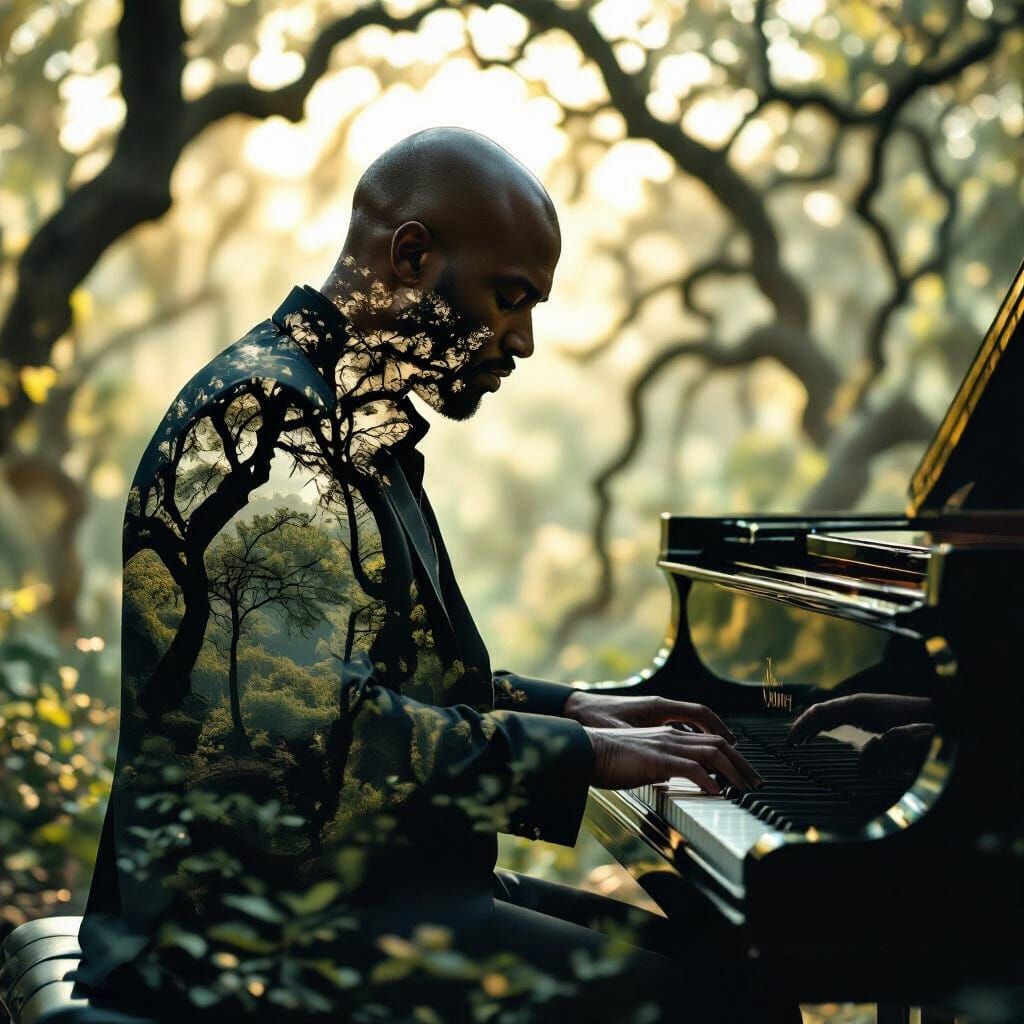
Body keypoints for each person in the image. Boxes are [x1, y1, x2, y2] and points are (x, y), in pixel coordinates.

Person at [72, 127, 791, 1023]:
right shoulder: (270, 424)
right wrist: (586, 756)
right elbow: (313, 739)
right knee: (696, 1006)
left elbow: (382, 678)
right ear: (410, 257)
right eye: (509, 297)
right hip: (243, 936)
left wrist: (573, 710)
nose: (522, 339)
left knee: (734, 976)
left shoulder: (346, 420)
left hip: (360, 891)